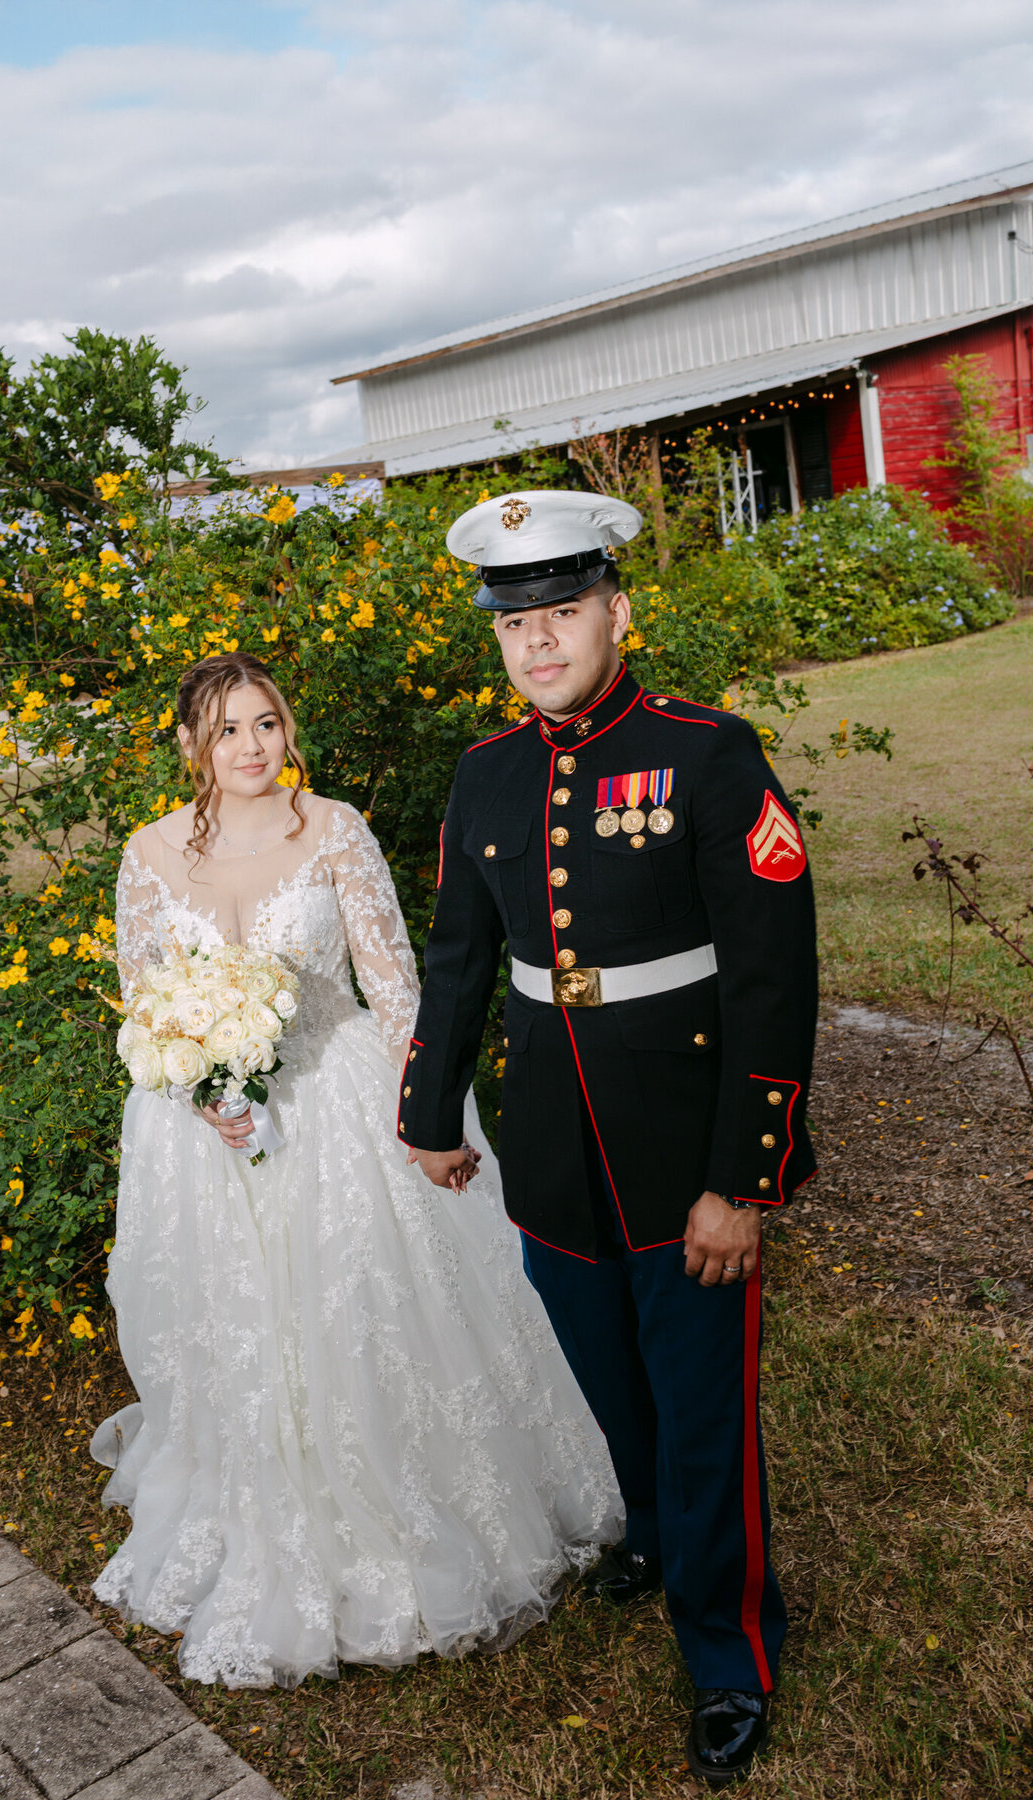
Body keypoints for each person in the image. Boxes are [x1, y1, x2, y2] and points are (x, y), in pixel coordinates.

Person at [89, 650, 622, 1689]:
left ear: (287, 734)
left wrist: (425, 1114)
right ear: (191, 743)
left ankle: (406, 1512)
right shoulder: (147, 854)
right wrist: (209, 1098)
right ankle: (258, 1500)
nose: (251, 748)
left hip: (338, 1101)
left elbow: (394, 986)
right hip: (205, 1137)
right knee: (241, 1321)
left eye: (267, 725)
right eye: (228, 729)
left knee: (361, 1307)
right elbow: (148, 1003)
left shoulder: (332, 828)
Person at [401, 491, 818, 1786]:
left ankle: (730, 1646)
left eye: (562, 611)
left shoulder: (708, 755)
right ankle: (653, 1533)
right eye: (515, 623)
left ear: (615, 614)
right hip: (554, 1158)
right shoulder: (485, 775)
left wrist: (742, 1183)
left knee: (703, 1408)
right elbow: (461, 962)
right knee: (612, 1380)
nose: (538, 642)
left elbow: (772, 979)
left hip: (683, 1147)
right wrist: (427, 1112)